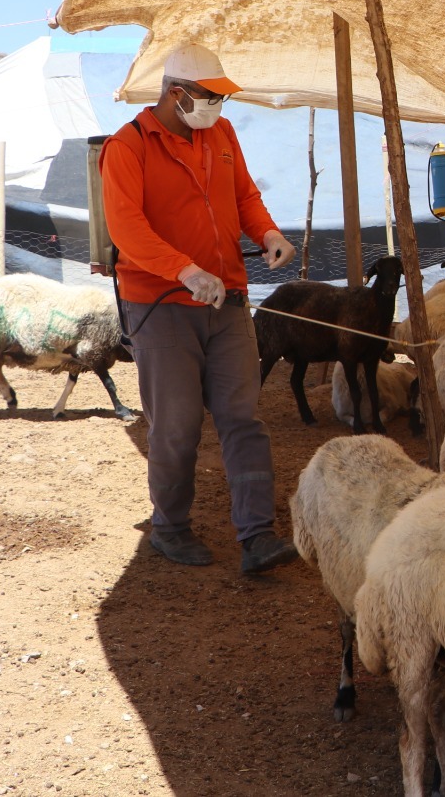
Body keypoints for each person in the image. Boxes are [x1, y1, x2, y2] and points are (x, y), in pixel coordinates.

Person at [99, 43, 301, 573]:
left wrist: (268, 232)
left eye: (220, 97)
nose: (218, 106)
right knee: (176, 425)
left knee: (244, 419)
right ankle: (169, 526)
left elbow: (244, 196)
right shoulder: (127, 147)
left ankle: (257, 536)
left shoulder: (222, 134)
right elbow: (127, 230)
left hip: (228, 298)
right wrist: (185, 270)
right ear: (176, 93)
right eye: (210, 96)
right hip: (161, 304)